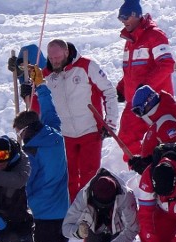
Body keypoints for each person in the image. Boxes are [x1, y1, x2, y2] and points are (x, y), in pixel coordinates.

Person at [13, 67, 70, 242]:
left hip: (42, 214)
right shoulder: (54, 134)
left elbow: (23, 183)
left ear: (25, 131)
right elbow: (49, 110)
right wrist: (41, 87)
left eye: (18, 133)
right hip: (62, 210)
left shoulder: (31, 153)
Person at [41, 40, 119, 200]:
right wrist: (26, 86)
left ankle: (89, 212)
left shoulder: (87, 66)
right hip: (64, 135)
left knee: (89, 178)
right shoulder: (46, 75)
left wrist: (110, 121)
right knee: (67, 178)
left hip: (90, 131)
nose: (54, 61)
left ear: (67, 53)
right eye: (51, 58)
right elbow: (36, 101)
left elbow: (109, 92)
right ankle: (71, 214)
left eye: (57, 57)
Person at [116, 0, 175, 158]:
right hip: (135, 103)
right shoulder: (130, 41)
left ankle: (150, 171)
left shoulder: (155, 36)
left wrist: (144, 88)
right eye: (120, 17)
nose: (122, 20)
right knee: (127, 138)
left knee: (156, 140)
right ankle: (143, 172)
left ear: (136, 15)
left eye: (125, 16)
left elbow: (167, 65)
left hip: (153, 102)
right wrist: (121, 88)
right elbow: (131, 72)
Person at [126, 85, 176, 174]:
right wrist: (143, 160)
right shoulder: (158, 121)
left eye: (138, 111)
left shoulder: (167, 123)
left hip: (169, 180)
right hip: (159, 179)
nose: (139, 116)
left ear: (147, 104)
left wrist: (149, 164)